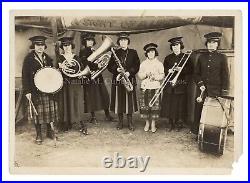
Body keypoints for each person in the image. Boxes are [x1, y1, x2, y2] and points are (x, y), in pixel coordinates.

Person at [22, 36, 59, 145]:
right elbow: (25, 76)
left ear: (44, 46)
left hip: (47, 89)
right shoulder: (28, 59)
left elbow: (51, 74)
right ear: (34, 46)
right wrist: (27, 91)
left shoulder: (48, 58)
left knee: (49, 113)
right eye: (37, 45)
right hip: (35, 90)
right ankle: (39, 134)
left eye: (42, 45)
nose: (40, 47)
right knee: (38, 114)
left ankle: (49, 131)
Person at [192, 32, 229, 135]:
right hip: (202, 91)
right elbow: (196, 74)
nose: (211, 45)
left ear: (217, 44)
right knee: (200, 111)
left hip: (216, 91)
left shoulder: (222, 57)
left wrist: (224, 92)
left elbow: (225, 76)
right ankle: (198, 133)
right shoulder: (201, 57)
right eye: (209, 42)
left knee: (213, 113)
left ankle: (210, 134)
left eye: (214, 42)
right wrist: (200, 84)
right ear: (206, 44)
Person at [107, 32, 140, 131]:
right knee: (119, 101)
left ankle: (130, 122)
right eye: (121, 40)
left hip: (129, 78)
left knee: (129, 101)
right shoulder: (114, 52)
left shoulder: (133, 52)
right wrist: (116, 70)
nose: (123, 42)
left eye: (125, 40)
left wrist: (130, 72)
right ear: (119, 42)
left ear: (128, 42)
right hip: (118, 79)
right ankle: (120, 122)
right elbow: (109, 66)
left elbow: (137, 65)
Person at [79, 33, 114, 124]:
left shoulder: (93, 50)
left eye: (91, 40)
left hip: (98, 76)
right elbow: (84, 62)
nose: (90, 42)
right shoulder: (83, 51)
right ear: (85, 42)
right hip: (89, 76)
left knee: (103, 95)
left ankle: (107, 115)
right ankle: (93, 117)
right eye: (88, 40)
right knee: (91, 97)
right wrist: (96, 65)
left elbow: (102, 59)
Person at [160, 37, 192, 132]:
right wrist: (168, 70)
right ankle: (170, 123)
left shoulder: (186, 57)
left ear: (181, 46)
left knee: (179, 104)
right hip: (170, 84)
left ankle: (179, 123)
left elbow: (191, 70)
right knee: (170, 104)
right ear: (171, 47)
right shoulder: (168, 58)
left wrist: (181, 70)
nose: (175, 47)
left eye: (177, 45)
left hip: (181, 84)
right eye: (173, 46)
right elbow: (164, 69)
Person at [57, 37, 88, 134]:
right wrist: (60, 68)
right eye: (64, 46)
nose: (67, 47)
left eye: (68, 45)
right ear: (62, 47)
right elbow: (57, 72)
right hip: (65, 83)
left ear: (72, 46)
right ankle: (67, 123)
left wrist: (77, 73)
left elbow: (81, 70)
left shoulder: (77, 57)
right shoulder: (60, 58)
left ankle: (81, 123)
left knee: (77, 103)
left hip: (75, 83)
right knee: (66, 102)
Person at [138, 43, 164, 133]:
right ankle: (147, 123)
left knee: (154, 107)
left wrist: (155, 77)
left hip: (155, 87)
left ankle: (153, 124)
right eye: (149, 52)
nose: (150, 54)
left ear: (155, 53)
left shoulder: (159, 64)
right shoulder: (143, 63)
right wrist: (145, 74)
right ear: (146, 54)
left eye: (152, 52)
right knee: (145, 107)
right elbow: (140, 76)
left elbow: (162, 75)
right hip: (145, 87)